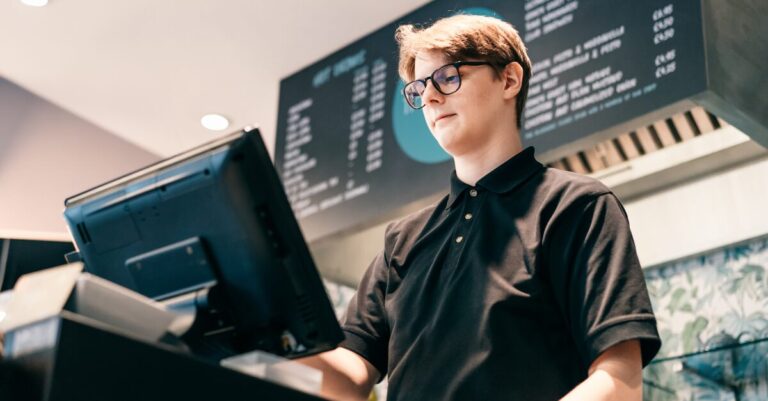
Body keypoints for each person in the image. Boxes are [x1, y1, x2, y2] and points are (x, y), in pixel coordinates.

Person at [297, 14, 661, 401]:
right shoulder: (401, 240)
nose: (431, 98)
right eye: (420, 88)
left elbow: (620, 384)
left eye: (448, 77)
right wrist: (265, 341)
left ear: (509, 80)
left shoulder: (576, 207)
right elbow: (349, 377)